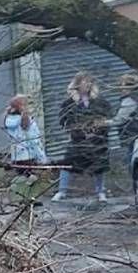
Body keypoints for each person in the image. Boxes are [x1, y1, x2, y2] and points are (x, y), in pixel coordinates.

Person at [53, 72, 112, 203]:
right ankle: (62, 191)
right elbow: (64, 120)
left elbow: (107, 117)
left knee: (99, 165)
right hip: (78, 139)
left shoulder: (99, 101)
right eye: (85, 82)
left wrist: (100, 127)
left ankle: (100, 192)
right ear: (78, 84)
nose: (88, 85)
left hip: (97, 139)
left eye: (90, 82)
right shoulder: (69, 103)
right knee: (67, 163)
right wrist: (76, 129)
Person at [4, 95, 47, 204]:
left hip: (17, 155)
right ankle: (29, 198)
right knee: (33, 176)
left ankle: (21, 197)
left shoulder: (9, 120)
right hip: (29, 154)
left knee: (23, 176)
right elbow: (33, 140)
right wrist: (41, 156)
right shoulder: (27, 121)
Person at [109, 73, 138, 165]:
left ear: (131, 87)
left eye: (124, 86)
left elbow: (120, 119)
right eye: (120, 85)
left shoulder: (129, 101)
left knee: (132, 162)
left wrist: (102, 123)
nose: (121, 89)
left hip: (131, 136)